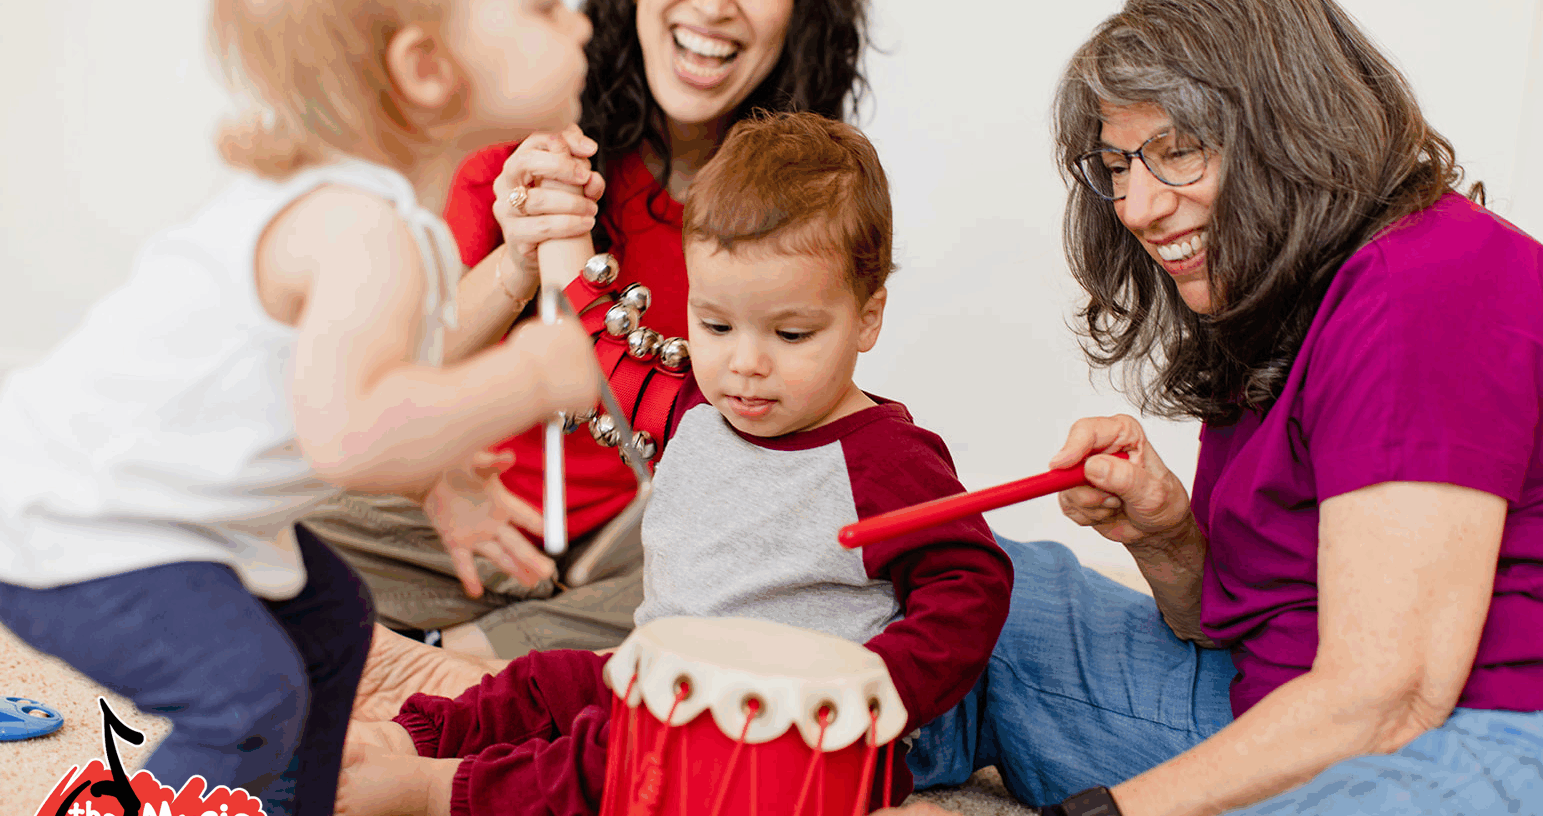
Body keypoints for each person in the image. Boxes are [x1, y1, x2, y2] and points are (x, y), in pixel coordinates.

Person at [888, 1, 1543, 815]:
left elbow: (1388, 697)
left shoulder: (1426, 284)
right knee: (973, 579)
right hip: (1299, 709)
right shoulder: (1276, 295)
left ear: (1293, 130)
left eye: (1177, 152)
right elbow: (1252, 625)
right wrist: (1167, 542)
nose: (1136, 208)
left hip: (1514, 731)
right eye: (1119, 166)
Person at [0, 1, 603, 813]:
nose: (580, 19)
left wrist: (443, 479)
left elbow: (357, 381)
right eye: (541, 9)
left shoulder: (387, 221)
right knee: (244, 699)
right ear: (426, 69)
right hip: (77, 516)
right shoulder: (357, 228)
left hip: (168, 514)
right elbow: (351, 435)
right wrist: (529, 377)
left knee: (329, 623)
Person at [332, 112, 1015, 816]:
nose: (745, 364)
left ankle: (436, 792)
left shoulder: (885, 460)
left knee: (612, 757)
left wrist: (879, 687)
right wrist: (564, 227)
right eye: (716, 325)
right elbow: (601, 335)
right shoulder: (695, 412)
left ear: (867, 317)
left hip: (786, 748)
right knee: (544, 683)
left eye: (790, 333)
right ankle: (412, 738)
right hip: (668, 678)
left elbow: (972, 582)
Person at [301, 0, 876, 660]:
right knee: (277, 512)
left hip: (635, 554)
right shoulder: (524, 138)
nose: (715, 7)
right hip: (470, 522)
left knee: (791, 567)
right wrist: (517, 259)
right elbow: (399, 377)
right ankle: (500, 660)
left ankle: (442, 657)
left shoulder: (808, 207)